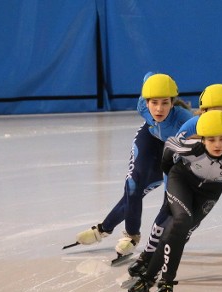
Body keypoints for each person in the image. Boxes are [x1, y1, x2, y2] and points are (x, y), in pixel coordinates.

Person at [126, 110, 222, 292]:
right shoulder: (191, 148)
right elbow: (168, 148)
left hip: (209, 193)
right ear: (202, 139)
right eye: (211, 139)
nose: (218, 144)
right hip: (182, 181)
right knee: (182, 220)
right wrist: (170, 172)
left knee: (176, 232)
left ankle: (148, 278)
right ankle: (166, 282)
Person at [70, 73, 192, 258]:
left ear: (173, 102)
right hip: (149, 139)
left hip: (170, 150)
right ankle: (131, 236)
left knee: (151, 196)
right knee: (133, 185)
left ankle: (103, 228)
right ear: (146, 101)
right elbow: (148, 76)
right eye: (154, 102)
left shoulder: (185, 121)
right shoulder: (142, 105)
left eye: (165, 102)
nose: (159, 109)